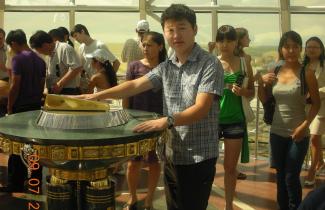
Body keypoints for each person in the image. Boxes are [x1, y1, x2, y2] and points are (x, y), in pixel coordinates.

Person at [75, 4, 224, 210]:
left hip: (198, 155)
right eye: (170, 30)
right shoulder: (167, 66)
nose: (176, 35)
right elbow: (135, 84)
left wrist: (166, 121)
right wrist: (98, 96)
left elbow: (202, 107)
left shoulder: (209, 64)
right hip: (173, 152)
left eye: (182, 28)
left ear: (194, 30)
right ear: (165, 32)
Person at [257, 31, 320, 210]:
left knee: (291, 177)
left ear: (300, 49)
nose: (291, 50)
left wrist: (304, 126)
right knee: (280, 175)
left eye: (295, 47)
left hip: (298, 133)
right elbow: (264, 100)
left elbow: (316, 104)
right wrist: (261, 83)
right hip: (276, 132)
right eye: (287, 47)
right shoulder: (275, 70)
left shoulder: (306, 73)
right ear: (281, 49)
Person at [122, 31, 166, 210]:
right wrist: (126, 115)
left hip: (158, 120)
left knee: (154, 160)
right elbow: (127, 91)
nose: (145, 48)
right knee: (134, 161)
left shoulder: (166, 67)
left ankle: (149, 198)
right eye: (144, 44)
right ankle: (132, 196)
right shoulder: (134, 66)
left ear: (160, 46)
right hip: (136, 120)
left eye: (150, 45)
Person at [0, 29, 46, 192]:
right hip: (35, 106)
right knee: (34, 145)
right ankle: (35, 179)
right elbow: (42, 84)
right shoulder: (40, 61)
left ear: (13, 43)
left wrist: (10, 106)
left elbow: (15, 85)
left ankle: (16, 182)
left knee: (16, 146)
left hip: (20, 107)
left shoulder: (18, 59)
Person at [215, 25, 254, 210]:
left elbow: (251, 92)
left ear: (235, 42)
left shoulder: (245, 63)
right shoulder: (212, 63)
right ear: (216, 42)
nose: (225, 44)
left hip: (235, 119)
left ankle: (228, 205)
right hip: (212, 119)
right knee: (206, 165)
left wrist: (244, 91)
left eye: (229, 40)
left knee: (230, 168)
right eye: (221, 40)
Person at [29, 30, 82, 95]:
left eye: (39, 50)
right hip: (56, 91)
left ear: (45, 45)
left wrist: (59, 84)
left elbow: (76, 67)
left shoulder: (64, 48)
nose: (40, 53)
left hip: (68, 91)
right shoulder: (48, 55)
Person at [303, 37, 325, 186]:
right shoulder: (302, 66)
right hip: (305, 107)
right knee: (314, 138)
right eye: (309, 46)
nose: (311, 49)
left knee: (314, 137)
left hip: (322, 106)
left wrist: (316, 94)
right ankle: (321, 162)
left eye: (315, 47)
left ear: (321, 49)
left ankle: (311, 172)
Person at [234, 27, 253, 180]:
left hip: (234, 104)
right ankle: (233, 168)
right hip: (238, 106)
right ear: (240, 39)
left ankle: (232, 168)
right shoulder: (245, 59)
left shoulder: (243, 59)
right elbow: (250, 85)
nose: (250, 40)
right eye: (247, 37)